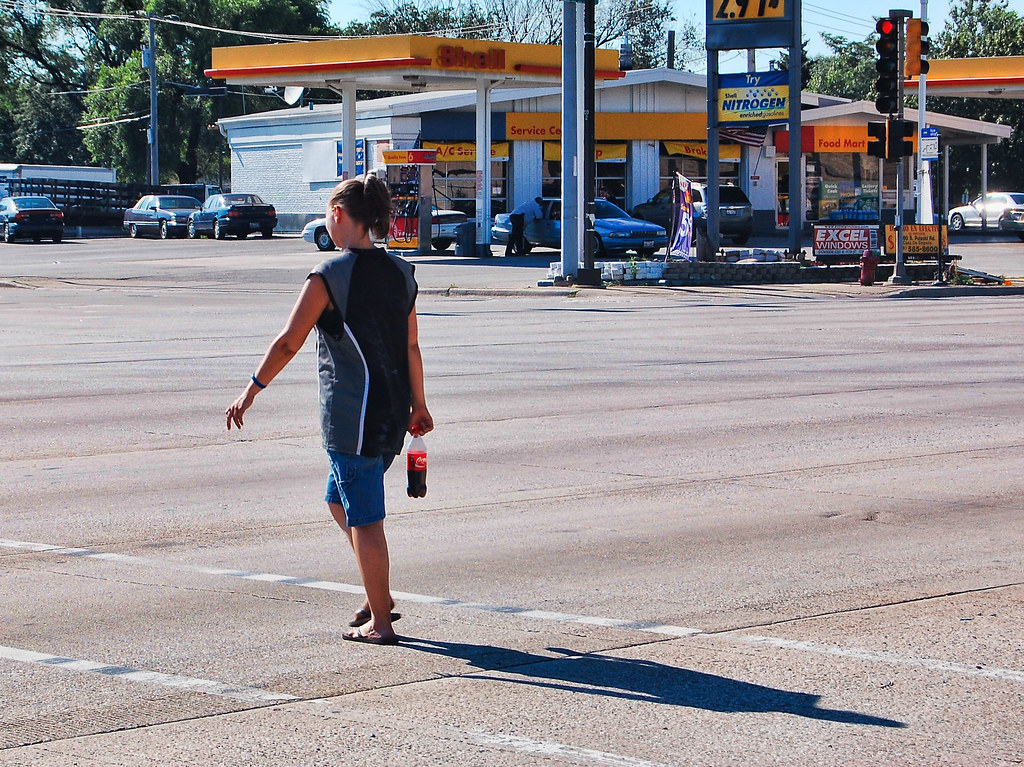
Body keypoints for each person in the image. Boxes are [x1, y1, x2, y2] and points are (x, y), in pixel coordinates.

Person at [225, 175, 433, 646]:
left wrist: (251, 390)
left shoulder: (330, 275)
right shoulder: (402, 272)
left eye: (327, 213)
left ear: (339, 215)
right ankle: (376, 594)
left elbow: (288, 341)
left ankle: (381, 620)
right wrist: (418, 404)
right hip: (391, 413)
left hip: (352, 418)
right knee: (339, 501)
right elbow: (412, 345)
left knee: (366, 519)